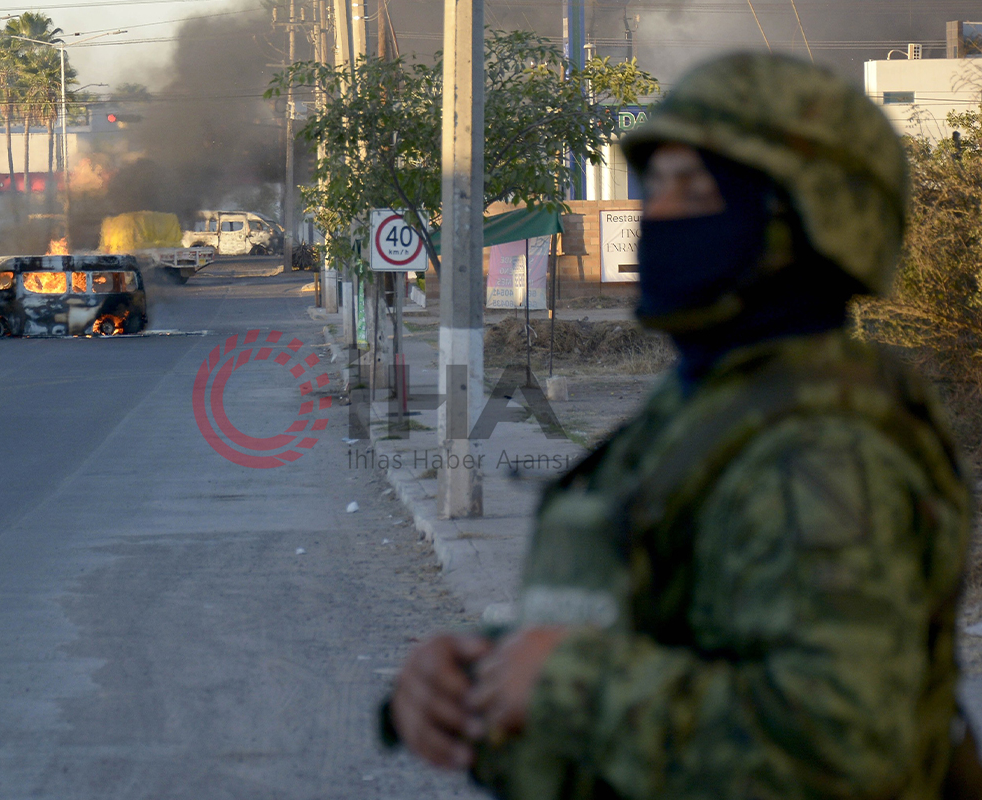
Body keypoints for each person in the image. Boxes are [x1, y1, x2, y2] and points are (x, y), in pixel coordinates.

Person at [385, 52, 980, 798]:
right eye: (654, 186)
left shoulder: (831, 450)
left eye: (693, 189)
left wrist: (572, 681)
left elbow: (847, 743)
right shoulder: (700, 414)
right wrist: (476, 682)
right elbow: (658, 638)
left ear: (805, 217)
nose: (657, 214)